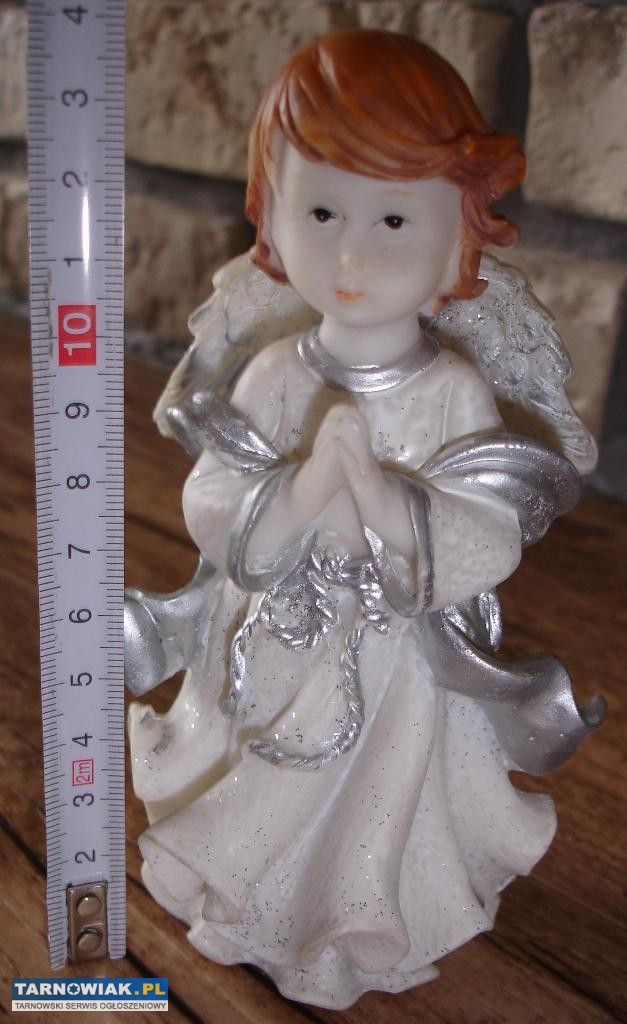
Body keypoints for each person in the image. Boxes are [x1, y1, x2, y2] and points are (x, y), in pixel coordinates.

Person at [127, 31, 602, 1008]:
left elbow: (487, 531)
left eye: (393, 218)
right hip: (270, 638)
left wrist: (383, 501)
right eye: (320, 211)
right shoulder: (272, 372)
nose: (350, 254)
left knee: (370, 805)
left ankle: (348, 923)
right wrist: (305, 489)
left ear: (459, 231)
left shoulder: (452, 392)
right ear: (269, 214)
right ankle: (249, 899)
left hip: (396, 665)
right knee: (257, 777)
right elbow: (212, 498)